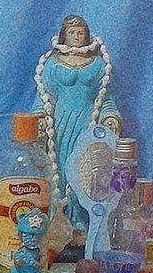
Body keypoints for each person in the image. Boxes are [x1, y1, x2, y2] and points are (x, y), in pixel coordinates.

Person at [33, 15, 120, 238]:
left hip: (87, 123)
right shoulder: (52, 63)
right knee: (60, 166)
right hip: (59, 126)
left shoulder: (98, 63)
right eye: (72, 32)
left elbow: (105, 98)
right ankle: (59, 218)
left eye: (81, 32)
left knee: (85, 168)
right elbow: (44, 96)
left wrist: (110, 117)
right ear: (64, 35)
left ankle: (80, 219)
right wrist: (39, 118)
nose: (77, 36)